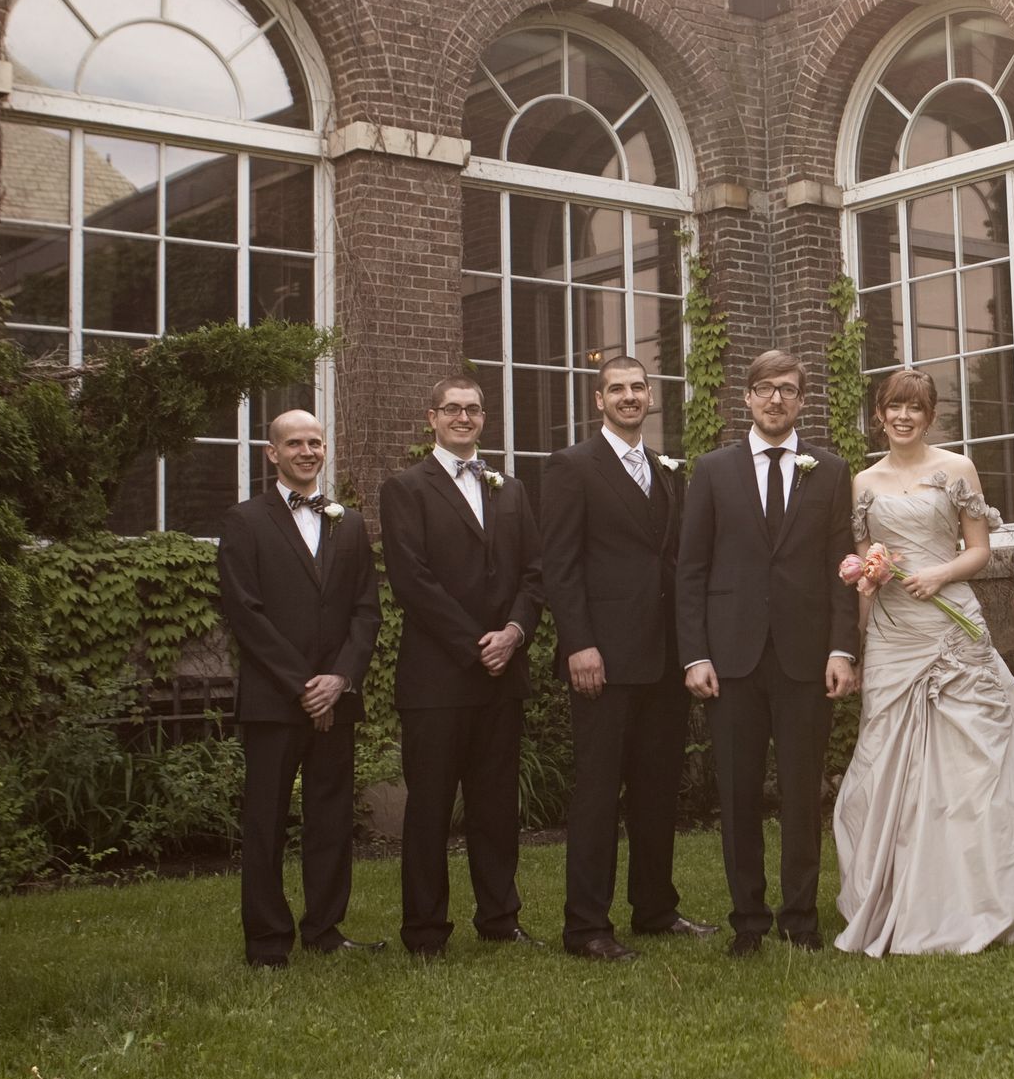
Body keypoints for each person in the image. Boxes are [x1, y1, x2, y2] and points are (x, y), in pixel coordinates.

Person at [833, 370, 1014, 957]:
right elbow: (869, 563)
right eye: (894, 407)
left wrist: (939, 573)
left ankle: (980, 894)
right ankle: (898, 896)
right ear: (879, 415)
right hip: (894, 635)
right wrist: (866, 605)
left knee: (975, 762)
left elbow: (980, 550)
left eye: (915, 408)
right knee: (886, 760)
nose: (904, 417)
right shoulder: (862, 481)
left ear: (930, 414)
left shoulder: (957, 469)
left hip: (951, 625)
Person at [676, 349, 858, 953]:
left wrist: (842, 648)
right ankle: (748, 921)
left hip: (807, 658)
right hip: (730, 660)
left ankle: (800, 919)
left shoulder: (830, 471)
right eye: (763, 389)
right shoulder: (712, 470)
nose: (775, 399)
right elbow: (691, 569)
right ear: (747, 399)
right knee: (739, 794)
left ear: (802, 400)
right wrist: (695, 654)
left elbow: (841, 569)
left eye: (786, 389)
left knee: (804, 794)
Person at [539, 353, 713, 960]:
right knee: (597, 791)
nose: (630, 397)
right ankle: (586, 926)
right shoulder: (571, 467)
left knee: (656, 787)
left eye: (639, 387)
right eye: (617, 389)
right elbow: (559, 565)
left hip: (663, 656)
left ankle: (655, 909)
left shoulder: (668, 471)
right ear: (599, 400)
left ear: (651, 396)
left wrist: (692, 648)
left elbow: (674, 564)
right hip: (603, 658)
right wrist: (579, 644)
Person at [378, 376, 545, 958]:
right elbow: (411, 580)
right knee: (429, 808)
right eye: (452, 409)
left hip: (504, 674)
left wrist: (515, 633)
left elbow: (533, 574)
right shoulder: (405, 488)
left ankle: (500, 917)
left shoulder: (512, 490)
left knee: (496, 806)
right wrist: (477, 644)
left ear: (484, 418)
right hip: (438, 678)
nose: (464, 418)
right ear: (432, 418)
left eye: (473, 409)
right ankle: (425, 931)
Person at [215, 408, 382, 968]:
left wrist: (339, 679)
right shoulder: (244, 521)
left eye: (315, 442)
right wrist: (302, 686)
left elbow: (365, 612)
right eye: (295, 444)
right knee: (266, 821)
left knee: (331, 817)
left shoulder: (349, 523)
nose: (307, 452)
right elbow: (247, 613)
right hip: (274, 701)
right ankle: (266, 941)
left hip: (337, 694)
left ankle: (325, 928)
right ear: (273, 453)